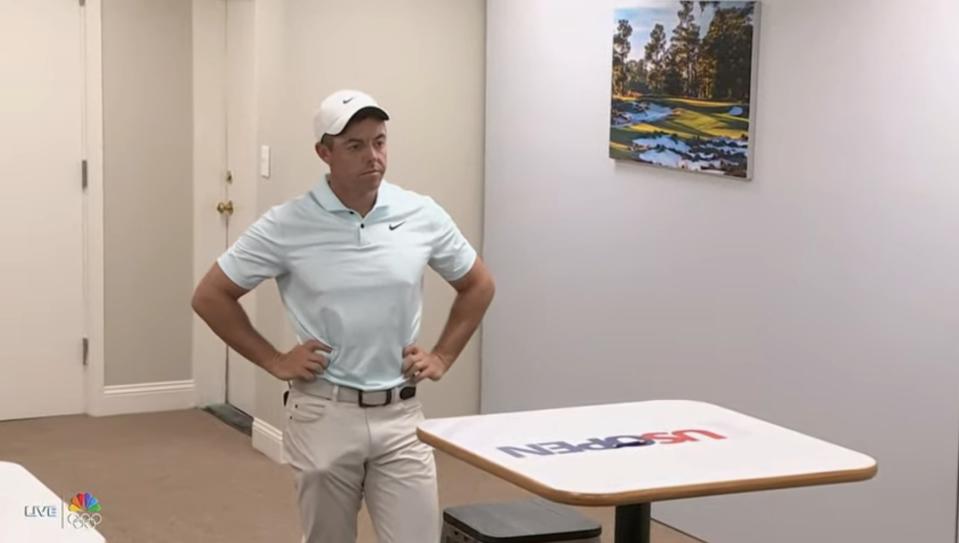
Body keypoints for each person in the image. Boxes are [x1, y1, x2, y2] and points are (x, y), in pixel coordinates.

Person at [191, 89, 495, 542]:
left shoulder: (420, 213)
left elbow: (478, 285)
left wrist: (443, 356)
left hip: (401, 414)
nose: (373, 157)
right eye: (355, 146)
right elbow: (211, 295)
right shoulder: (288, 223)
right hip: (323, 412)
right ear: (325, 153)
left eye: (379, 142)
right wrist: (275, 360)